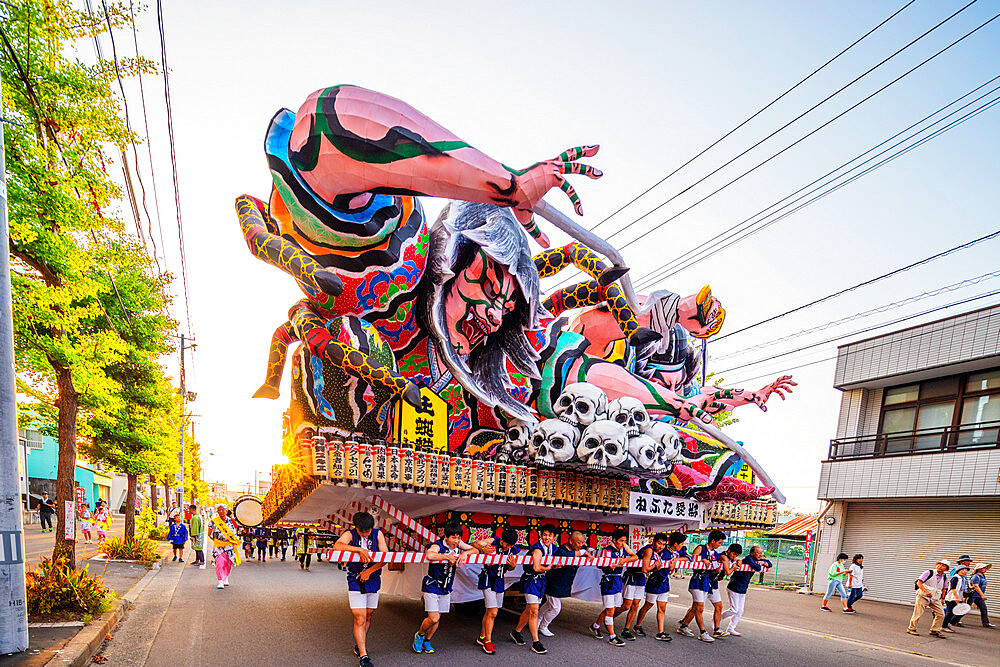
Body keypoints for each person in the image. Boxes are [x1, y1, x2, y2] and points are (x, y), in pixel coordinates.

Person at [334, 512, 389, 667]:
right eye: (362, 531)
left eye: (368, 531)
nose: (365, 533)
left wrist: (369, 572)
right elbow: (337, 546)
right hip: (355, 578)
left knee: (369, 615)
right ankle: (364, 656)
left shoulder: (378, 534)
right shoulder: (350, 534)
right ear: (356, 527)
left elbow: (385, 557)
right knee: (360, 617)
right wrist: (358, 549)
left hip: (373, 577)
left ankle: (359, 645)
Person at [412, 524, 475, 655]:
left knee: (438, 618)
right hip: (432, 585)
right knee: (433, 618)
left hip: (446, 587)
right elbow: (430, 555)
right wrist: (447, 557)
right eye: (453, 538)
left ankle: (427, 640)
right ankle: (420, 635)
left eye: (458, 538)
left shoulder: (458, 544)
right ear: (446, 537)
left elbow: (475, 550)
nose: (456, 541)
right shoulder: (437, 545)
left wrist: (465, 554)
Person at [511, 524, 558, 654]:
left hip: (541, 581)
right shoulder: (537, 549)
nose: (547, 537)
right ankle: (536, 642)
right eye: (545, 535)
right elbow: (537, 568)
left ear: (554, 537)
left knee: (529, 609)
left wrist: (555, 566)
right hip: (531, 580)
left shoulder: (553, 548)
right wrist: (549, 568)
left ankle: (516, 632)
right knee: (534, 612)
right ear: (541, 535)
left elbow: (557, 560)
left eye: (550, 535)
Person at [634, 531, 688, 642]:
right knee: (648, 605)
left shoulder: (678, 551)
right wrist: (669, 566)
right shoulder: (663, 552)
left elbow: (688, 558)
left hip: (664, 582)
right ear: (675, 543)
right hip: (655, 581)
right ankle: (637, 625)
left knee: (662, 608)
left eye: (663, 544)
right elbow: (654, 566)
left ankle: (660, 632)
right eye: (681, 544)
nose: (682, 546)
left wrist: (675, 562)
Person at [472, 528, 520, 655]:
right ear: (502, 540)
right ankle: (487, 641)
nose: (507, 547)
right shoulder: (494, 541)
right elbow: (474, 543)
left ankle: (482, 637)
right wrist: (482, 549)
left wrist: (513, 566)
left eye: (510, 545)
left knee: (491, 612)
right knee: (493, 612)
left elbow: (509, 568)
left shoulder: (513, 550)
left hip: (499, 580)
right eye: (506, 544)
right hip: (488, 578)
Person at [589, 528, 639, 646]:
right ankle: (612, 636)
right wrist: (608, 567)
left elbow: (635, 556)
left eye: (625, 541)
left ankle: (595, 626)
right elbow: (599, 566)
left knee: (610, 608)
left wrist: (624, 559)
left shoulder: (622, 550)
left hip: (617, 580)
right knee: (610, 610)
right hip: (608, 580)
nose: (623, 543)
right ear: (614, 540)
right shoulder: (606, 550)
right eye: (621, 541)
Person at [538, 530, 593, 637]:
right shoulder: (562, 551)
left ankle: (537, 620)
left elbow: (585, 549)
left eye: (582, 543)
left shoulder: (579, 548)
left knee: (548, 605)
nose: (581, 545)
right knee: (555, 608)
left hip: (563, 584)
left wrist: (586, 550)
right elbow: (569, 555)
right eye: (578, 543)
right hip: (553, 583)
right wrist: (584, 552)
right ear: (571, 542)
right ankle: (543, 626)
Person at [678, 529, 727, 642]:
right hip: (697, 581)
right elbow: (692, 563)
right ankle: (703, 632)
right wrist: (702, 561)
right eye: (719, 542)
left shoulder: (715, 553)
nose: (719, 545)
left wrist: (716, 570)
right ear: (713, 541)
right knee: (700, 608)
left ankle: (684, 625)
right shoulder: (701, 548)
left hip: (706, 582)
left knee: (696, 607)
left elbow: (713, 569)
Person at [721, 544, 772, 636]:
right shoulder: (748, 559)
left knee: (740, 611)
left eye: (761, 553)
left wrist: (763, 562)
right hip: (734, 586)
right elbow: (757, 568)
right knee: (734, 610)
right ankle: (717, 619)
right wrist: (761, 563)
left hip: (743, 588)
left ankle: (731, 628)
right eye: (758, 553)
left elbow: (769, 563)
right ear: (752, 553)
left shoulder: (757, 560)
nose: (760, 555)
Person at [619, 535, 653, 641]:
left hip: (641, 579)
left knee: (635, 605)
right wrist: (655, 566)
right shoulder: (649, 549)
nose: (661, 546)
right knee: (626, 605)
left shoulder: (660, 552)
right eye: (659, 543)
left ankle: (626, 630)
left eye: (663, 544)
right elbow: (645, 569)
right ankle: (607, 618)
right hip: (632, 576)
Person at [907, 559, 949, 637]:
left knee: (941, 614)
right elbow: (919, 582)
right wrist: (926, 591)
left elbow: (944, 588)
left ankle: (935, 630)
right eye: (939, 564)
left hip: (935, 598)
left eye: (943, 565)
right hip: (923, 596)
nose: (940, 566)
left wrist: (942, 598)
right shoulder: (929, 572)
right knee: (918, 613)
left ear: (946, 569)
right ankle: (911, 628)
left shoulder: (945, 577)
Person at [209, 504, 240, 588]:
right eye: (219, 510)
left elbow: (235, 532)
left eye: (223, 510)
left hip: (229, 546)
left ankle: (225, 578)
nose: (221, 511)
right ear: (217, 511)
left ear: (226, 511)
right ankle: (220, 581)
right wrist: (218, 541)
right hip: (218, 545)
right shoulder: (213, 521)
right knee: (219, 562)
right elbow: (209, 533)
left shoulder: (231, 521)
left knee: (228, 563)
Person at [942, 563, 971, 632]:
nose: (965, 571)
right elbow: (953, 588)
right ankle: (943, 626)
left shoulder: (962, 578)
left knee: (953, 612)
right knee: (950, 613)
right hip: (951, 598)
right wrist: (956, 598)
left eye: (966, 570)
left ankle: (946, 624)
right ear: (958, 570)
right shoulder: (955, 578)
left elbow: (961, 590)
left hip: (957, 598)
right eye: (963, 570)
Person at [967, 563, 994, 628]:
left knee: (983, 608)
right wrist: (982, 595)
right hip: (973, 595)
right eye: (983, 568)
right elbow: (976, 586)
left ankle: (986, 623)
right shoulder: (976, 576)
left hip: (978, 596)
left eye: (985, 568)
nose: (985, 569)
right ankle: (954, 620)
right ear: (978, 569)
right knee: (966, 608)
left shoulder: (983, 576)